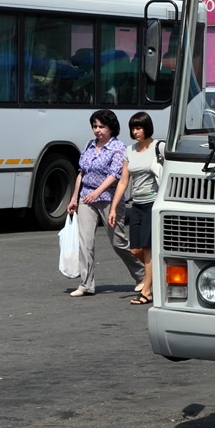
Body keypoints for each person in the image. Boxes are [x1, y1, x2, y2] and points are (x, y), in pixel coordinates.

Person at [66, 109, 145, 297]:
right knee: (85, 242)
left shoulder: (119, 148)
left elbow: (114, 176)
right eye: (95, 126)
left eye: (102, 126)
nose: (97, 130)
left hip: (110, 199)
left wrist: (97, 192)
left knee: (118, 242)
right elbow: (81, 173)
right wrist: (74, 198)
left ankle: (142, 275)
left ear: (111, 128)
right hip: (87, 198)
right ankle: (86, 284)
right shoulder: (89, 146)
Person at [109, 112, 163, 305]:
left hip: (154, 203)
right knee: (135, 250)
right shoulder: (130, 151)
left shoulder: (159, 147)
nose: (135, 131)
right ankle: (157, 273)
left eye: (139, 127)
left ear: (147, 127)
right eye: (133, 128)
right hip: (137, 204)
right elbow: (123, 182)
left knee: (147, 249)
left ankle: (147, 291)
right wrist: (114, 207)